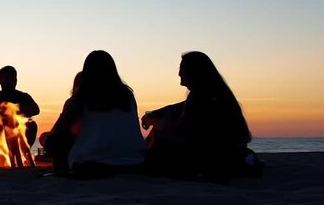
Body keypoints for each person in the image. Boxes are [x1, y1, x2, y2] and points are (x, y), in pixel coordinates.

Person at [141, 51, 259, 181]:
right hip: (229, 150)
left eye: (182, 69)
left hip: (208, 155)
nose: (179, 74)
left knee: (159, 135)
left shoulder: (201, 98)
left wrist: (158, 124)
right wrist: (154, 114)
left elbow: (184, 132)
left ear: (194, 72)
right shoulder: (217, 93)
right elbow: (177, 107)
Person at [44, 51, 146, 176]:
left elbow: (60, 129)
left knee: (50, 141)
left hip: (93, 161)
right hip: (135, 160)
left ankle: (61, 169)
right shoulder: (127, 95)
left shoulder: (83, 96)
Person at [38, 71, 82, 149]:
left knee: (48, 140)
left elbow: (60, 126)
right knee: (44, 136)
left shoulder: (73, 102)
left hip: (73, 139)